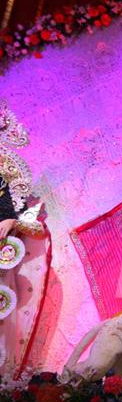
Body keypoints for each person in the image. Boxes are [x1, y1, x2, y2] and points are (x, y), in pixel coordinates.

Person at [0, 100, 52, 377]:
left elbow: (33, 222)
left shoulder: (6, 170)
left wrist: (12, 220)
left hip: (5, 254)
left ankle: (6, 376)